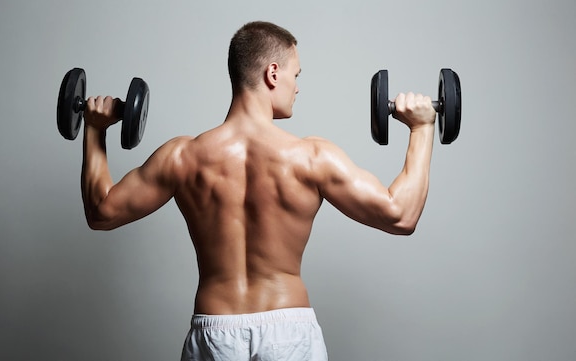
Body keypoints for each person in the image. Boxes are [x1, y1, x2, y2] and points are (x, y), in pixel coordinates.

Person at [80, 21, 435, 361]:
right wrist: (421, 127)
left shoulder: (182, 157)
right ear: (273, 73)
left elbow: (102, 212)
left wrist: (95, 129)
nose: (297, 87)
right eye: (296, 76)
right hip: (290, 333)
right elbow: (401, 215)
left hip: (214, 332)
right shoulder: (311, 157)